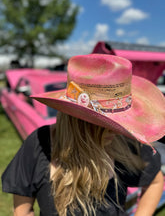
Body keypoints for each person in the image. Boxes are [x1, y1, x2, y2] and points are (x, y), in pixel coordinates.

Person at [2, 54, 165, 216]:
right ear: (76, 118)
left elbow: (156, 181)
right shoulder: (40, 143)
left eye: (120, 120)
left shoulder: (122, 142)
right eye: (105, 123)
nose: (116, 130)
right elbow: (22, 211)